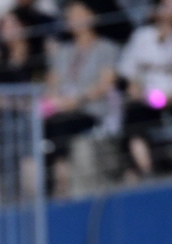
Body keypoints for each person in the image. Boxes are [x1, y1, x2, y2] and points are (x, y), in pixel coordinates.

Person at [42, 0, 119, 195]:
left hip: (90, 108)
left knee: (61, 124)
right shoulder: (63, 52)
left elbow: (105, 83)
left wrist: (77, 100)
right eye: (71, 16)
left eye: (79, 14)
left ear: (92, 16)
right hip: (63, 109)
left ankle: (62, 178)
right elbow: (52, 84)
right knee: (48, 123)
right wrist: (56, 100)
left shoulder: (106, 48)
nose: (74, 19)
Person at [117, 0, 172, 177]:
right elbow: (127, 70)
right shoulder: (142, 35)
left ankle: (140, 170)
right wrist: (134, 86)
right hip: (149, 97)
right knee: (134, 116)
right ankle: (145, 170)